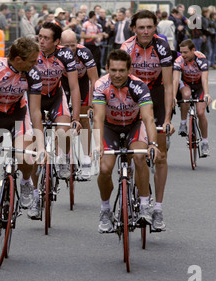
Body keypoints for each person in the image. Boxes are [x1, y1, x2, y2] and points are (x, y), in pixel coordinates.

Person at [0, 37, 44, 249]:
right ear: (18, 59)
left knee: (26, 155)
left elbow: (36, 110)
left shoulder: (33, 73)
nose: (35, 64)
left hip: (18, 113)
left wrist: (40, 144)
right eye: (31, 60)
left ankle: (25, 182)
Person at [92, 49, 159, 232]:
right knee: (105, 168)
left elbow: (148, 118)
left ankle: (144, 205)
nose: (117, 74)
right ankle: (105, 210)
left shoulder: (139, 86)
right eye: (113, 70)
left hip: (133, 126)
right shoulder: (100, 85)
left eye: (122, 70)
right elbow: (97, 118)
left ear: (129, 70)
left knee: (139, 158)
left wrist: (153, 144)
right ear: (107, 68)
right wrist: (97, 144)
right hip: (110, 127)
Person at [121, 10, 174, 231]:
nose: (145, 31)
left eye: (149, 27)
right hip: (133, 96)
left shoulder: (162, 46)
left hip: (157, 94)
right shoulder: (126, 48)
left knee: (160, 156)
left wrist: (168, 118)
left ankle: (159, 209)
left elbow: (169, 85)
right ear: (134, 28)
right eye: (141, 27)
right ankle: (134, 185)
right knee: (136, 153)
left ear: (155, 28)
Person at [28, 21, 82, 219]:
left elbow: (74, 87)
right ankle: (35, 196)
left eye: (46, 38)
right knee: (33, 149)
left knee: (65, 130)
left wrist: (76, 117)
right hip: (34, 97)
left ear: (57, 42)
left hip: (56, 97)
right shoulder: (32, 53)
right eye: (39, 37)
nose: (41, 41)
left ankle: (63, 158)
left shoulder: (65, 55)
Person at [60, 29, 98, 178]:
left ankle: (87, 158)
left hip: (81, 81)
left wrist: (92, 104)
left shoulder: (85, 53)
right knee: (62, 118)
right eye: (67, 46)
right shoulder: (57, 53)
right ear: (60, 44)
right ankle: (64, 156)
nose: (70, 49)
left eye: (73, 45)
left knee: (82, 117)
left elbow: (94, 80)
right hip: (63, 82)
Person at [173, 39, 212, 157]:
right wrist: (174, 97)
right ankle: (183, 123)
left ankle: (205, 142)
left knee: (200, 113)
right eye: (181, 52)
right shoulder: (179, 60)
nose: (183, 55)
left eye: (185, 52)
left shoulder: (201, 59)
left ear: (193, 50)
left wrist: (206, 94)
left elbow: (205, 79)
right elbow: (175, 80)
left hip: (199, 85)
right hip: (186, 84)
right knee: (185, 95)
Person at [81, 11, 105, 77]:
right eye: (96, 16)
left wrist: (99, 38)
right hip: (88, 45)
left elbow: (100, 35)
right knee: (88, 61)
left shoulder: (98, 25)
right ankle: (87, 76)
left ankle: (97, 76)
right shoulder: (85, 24)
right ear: (94, 16)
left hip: (96, 45)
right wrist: (93, 36)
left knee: (97, 62)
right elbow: (82, 35)